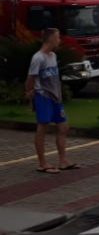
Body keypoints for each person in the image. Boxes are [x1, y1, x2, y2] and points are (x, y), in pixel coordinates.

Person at [24, 28, 77, 174]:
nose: (59, 40)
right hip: (43, 97)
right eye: (58, 38)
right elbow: (30, 78)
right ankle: (42, 163)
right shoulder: (38, 58)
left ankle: (63, 161)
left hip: (56, 98)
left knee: (63, 127)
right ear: (51, 39)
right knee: (43, 127)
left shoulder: (52, 56)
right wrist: (29, 93)